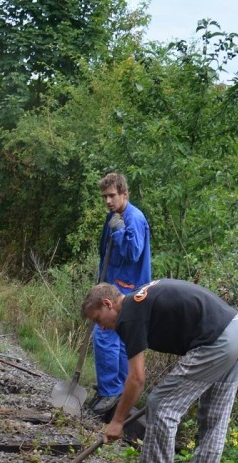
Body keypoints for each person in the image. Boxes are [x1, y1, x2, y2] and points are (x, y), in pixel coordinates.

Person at [81, 279, 238, 463]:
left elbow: (136, 378)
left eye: (98, 319)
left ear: (108, 304)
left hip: (216, 340)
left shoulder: (128, 315)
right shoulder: (139, 300)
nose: (101, 327)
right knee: (214, 419)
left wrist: (118, 421)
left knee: (161, 404)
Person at [89, 172, 151, 421]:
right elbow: (106, 252)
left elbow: (133, 253)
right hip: (113, 284)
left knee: (103, 334)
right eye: (104, 196)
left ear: (124, 194)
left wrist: (119, 231)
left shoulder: (133, 218)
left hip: (127, 287)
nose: (107, 201)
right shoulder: (114, 216)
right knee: (115, 338)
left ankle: (111, 391)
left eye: (112, 196)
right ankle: (113, 390)